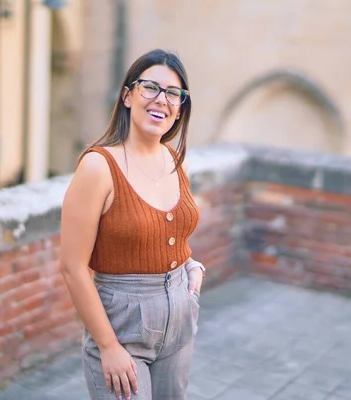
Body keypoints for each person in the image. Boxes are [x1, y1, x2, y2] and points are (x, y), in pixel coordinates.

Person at [59, 49, 206, 400]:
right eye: (150, 88)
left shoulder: (172, 159)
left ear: (181, 107)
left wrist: (192, 273)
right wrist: (108, 346)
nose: (162, 100)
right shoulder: (98, 167)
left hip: (180, 320)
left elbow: (171, 231)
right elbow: (72, 268)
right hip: (122, 327)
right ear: (127, 95)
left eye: (174, 93)